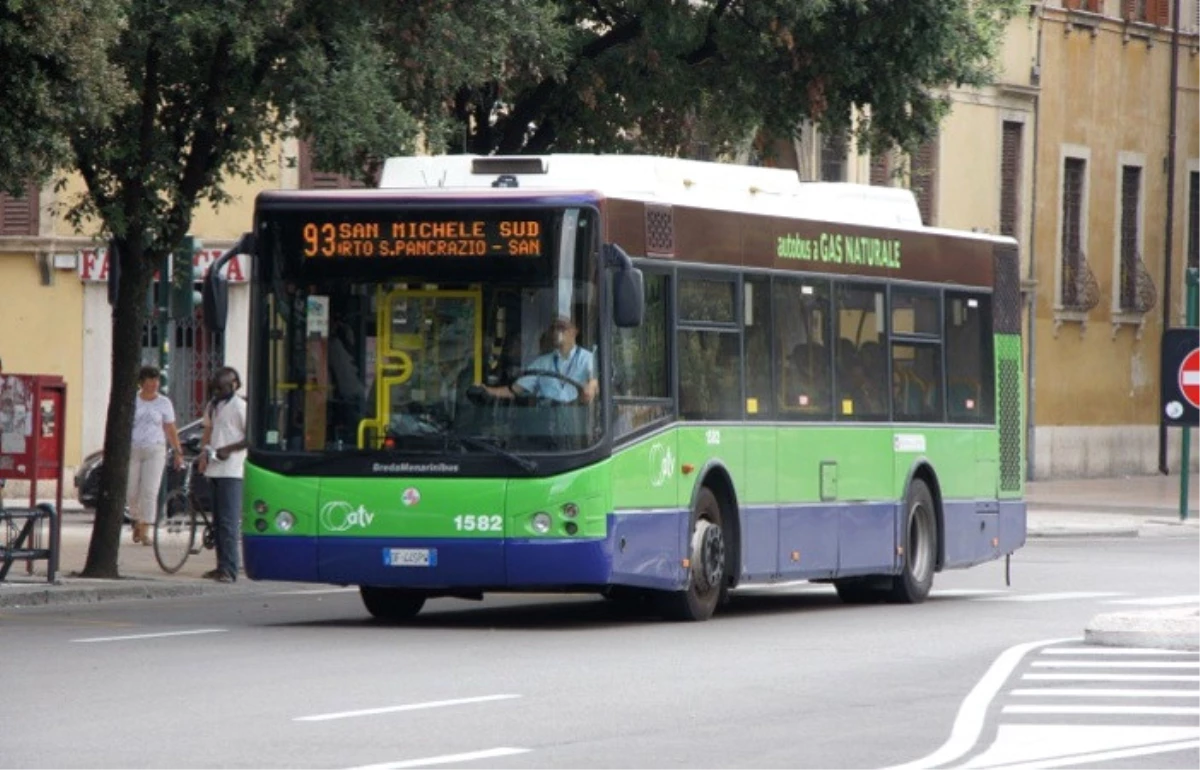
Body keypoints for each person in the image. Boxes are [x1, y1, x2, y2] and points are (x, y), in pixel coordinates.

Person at [197, 366, 247, 582]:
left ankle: (230, 569)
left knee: (228, 522)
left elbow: (249, 438)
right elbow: (207, 431)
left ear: (234, 385)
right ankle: (220, 566)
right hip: (215, 468)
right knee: (217, 522)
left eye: (222, 388)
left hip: (232, 470)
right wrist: (203, 453)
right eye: (215, 389)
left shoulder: (240, 407)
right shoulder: (212, 406)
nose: (217, 392)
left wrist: (228, 449)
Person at [482, 314, 598, 404]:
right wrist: (488, 390)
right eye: (554, 328)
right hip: (545, 421)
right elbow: (514, 391)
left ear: (575, 330)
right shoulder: (542, 362)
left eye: (562, 327)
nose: (557, 332)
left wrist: (591, 388)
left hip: (577, 423)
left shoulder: (589, 358)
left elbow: (595, 381)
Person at [128, 365, 185, 546]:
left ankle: (146, 527)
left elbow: (170, 428)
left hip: (155, 449)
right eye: (150, 380)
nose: (154, 384)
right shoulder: (133, 400)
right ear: (141, 382)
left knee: (150, 490)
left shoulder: (164, 403)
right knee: (131, 491)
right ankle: (136, 518)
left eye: (156, 380)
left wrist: (178, 451)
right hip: (134, 448)